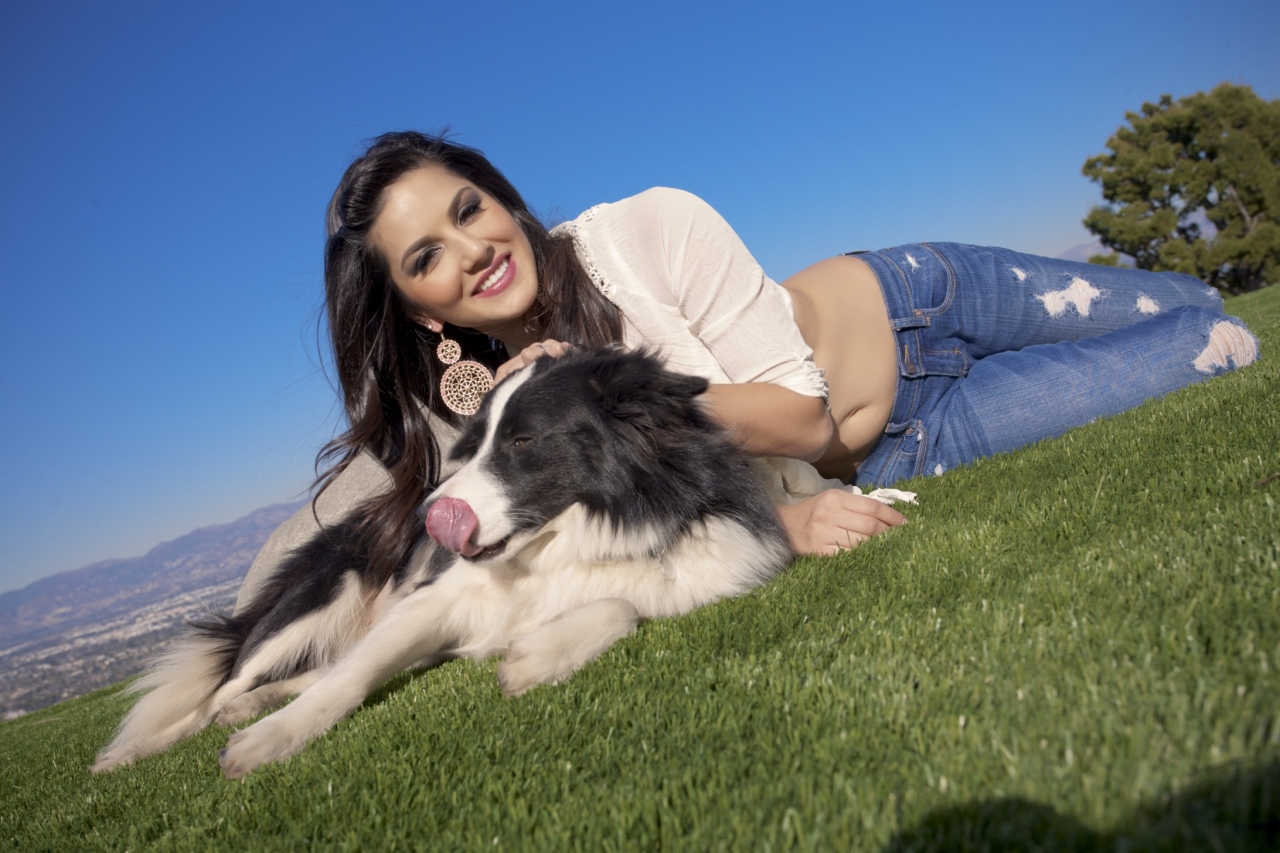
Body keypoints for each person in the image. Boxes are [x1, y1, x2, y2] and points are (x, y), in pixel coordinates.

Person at [235, 132, 1259, 611]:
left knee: (1193, 298)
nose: (471, 250)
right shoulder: (510, 418)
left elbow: (802, 421)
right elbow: (385, 495)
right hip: (912, 445)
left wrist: (605, 391)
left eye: (469, 209)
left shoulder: (645, 228)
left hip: (919, 302)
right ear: (419, 307)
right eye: (427, 257)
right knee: (1210, 350)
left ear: (500, 196)